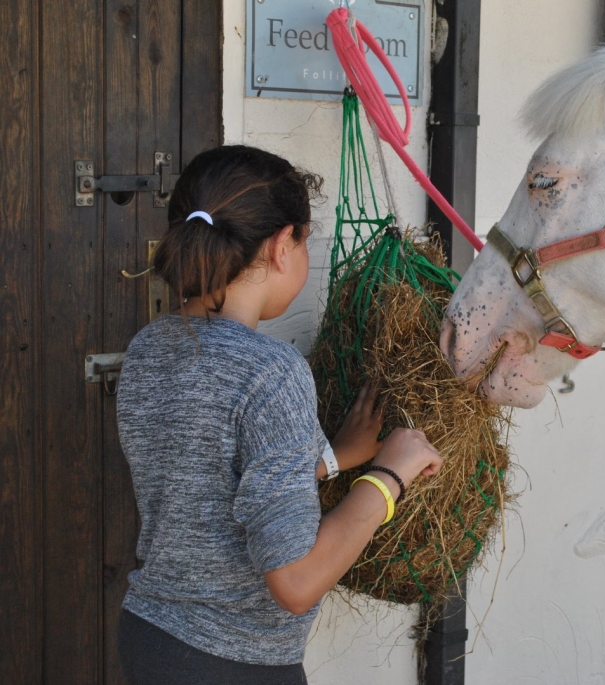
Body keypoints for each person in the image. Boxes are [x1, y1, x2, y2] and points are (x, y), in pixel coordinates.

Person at [115, 144, 442, 685]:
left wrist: (331, 460)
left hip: (150, 637)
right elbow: (294, 583)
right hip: (231, 661)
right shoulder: (272, 371)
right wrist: (390, 475)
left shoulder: (150, 348)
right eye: (306, 241)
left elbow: (210, 481)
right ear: (281, 244)